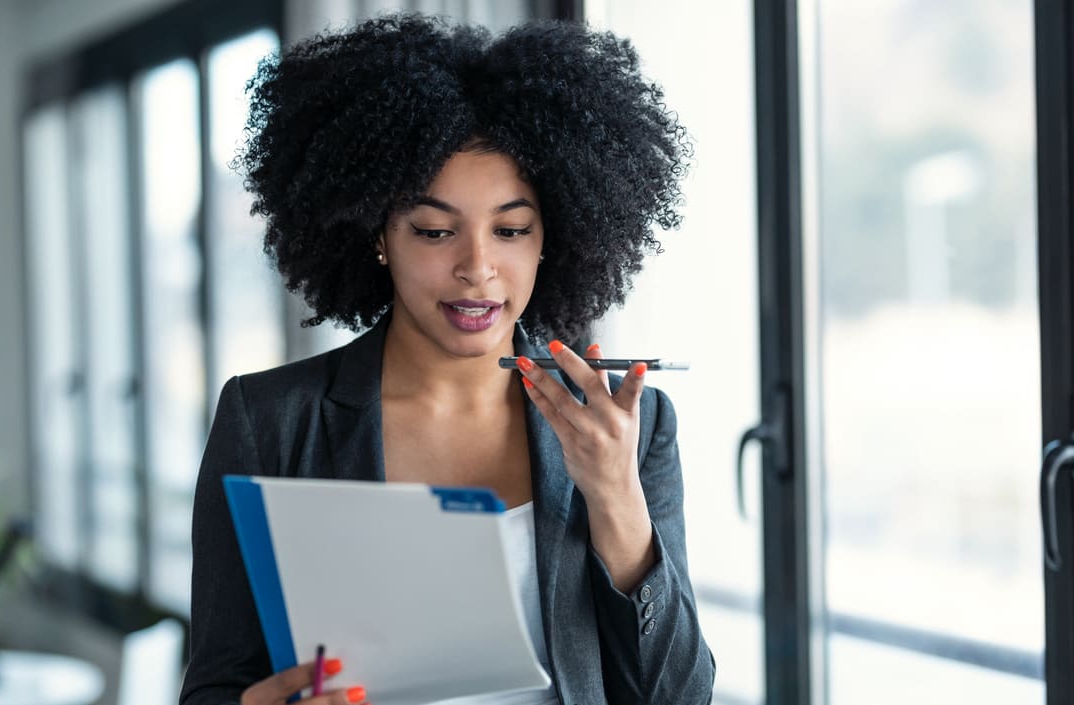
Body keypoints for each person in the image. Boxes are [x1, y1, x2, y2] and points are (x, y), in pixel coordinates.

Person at [179, 13, 714, 705]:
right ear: (379, 235)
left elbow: (678, 696)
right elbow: (215, 687)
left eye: (512, 229)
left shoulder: (627, 428)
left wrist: (616, 498)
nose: (478, 268)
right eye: (435, 231)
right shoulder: (271, 421)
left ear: (553, 235)